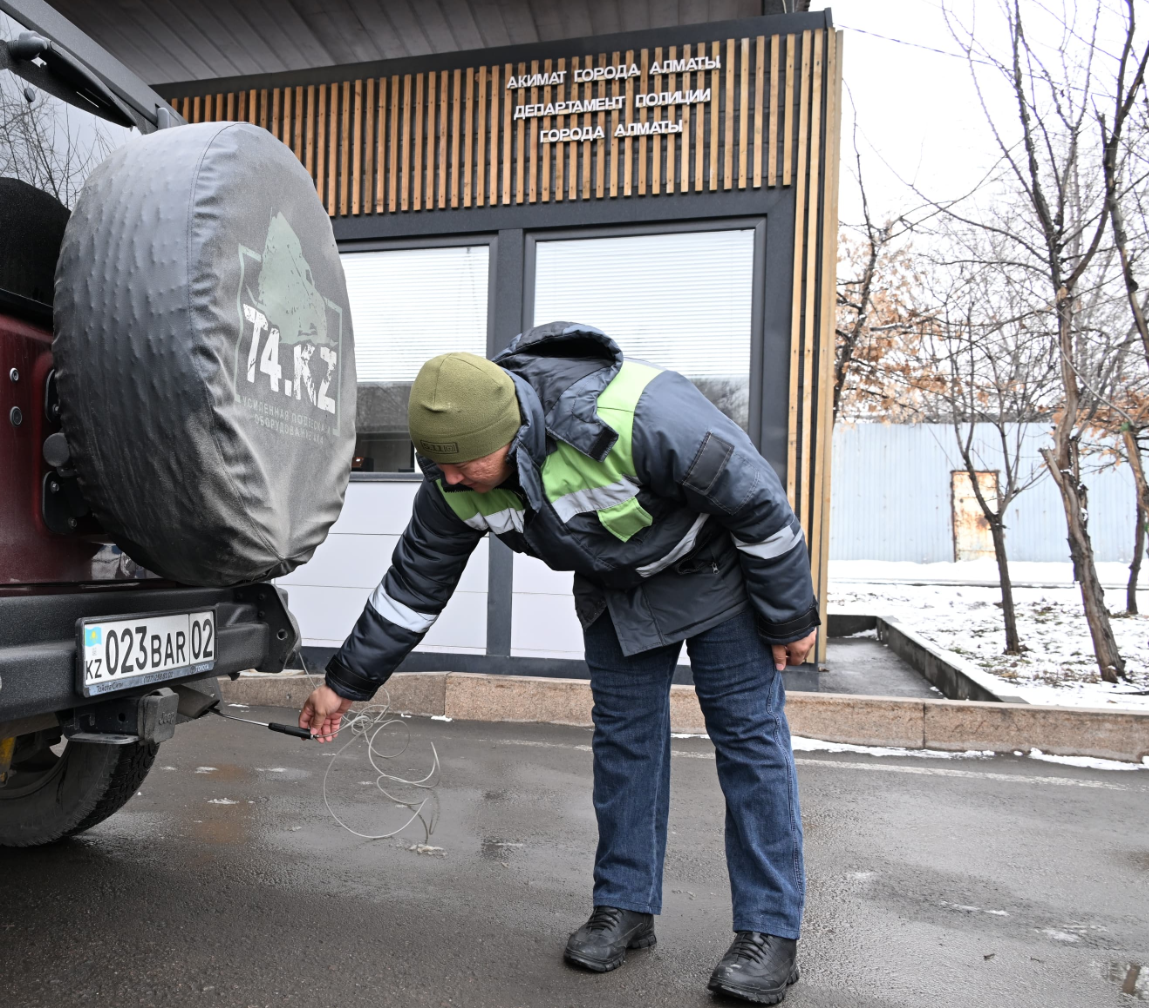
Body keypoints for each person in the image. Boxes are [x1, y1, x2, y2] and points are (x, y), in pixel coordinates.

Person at [298, 322, 818, 1005]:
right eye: (440, 467)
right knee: (625, 748)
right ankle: (625, 908)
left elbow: (760, 505)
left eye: (463, 465)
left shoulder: (646, 417)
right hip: (615, 591)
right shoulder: (453, 481)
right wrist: (344, 683)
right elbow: (412, 588)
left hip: (716, 575)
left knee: (749, 744)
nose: (451, 480)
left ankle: (769, 933)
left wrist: (789, 617)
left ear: (512, 432)